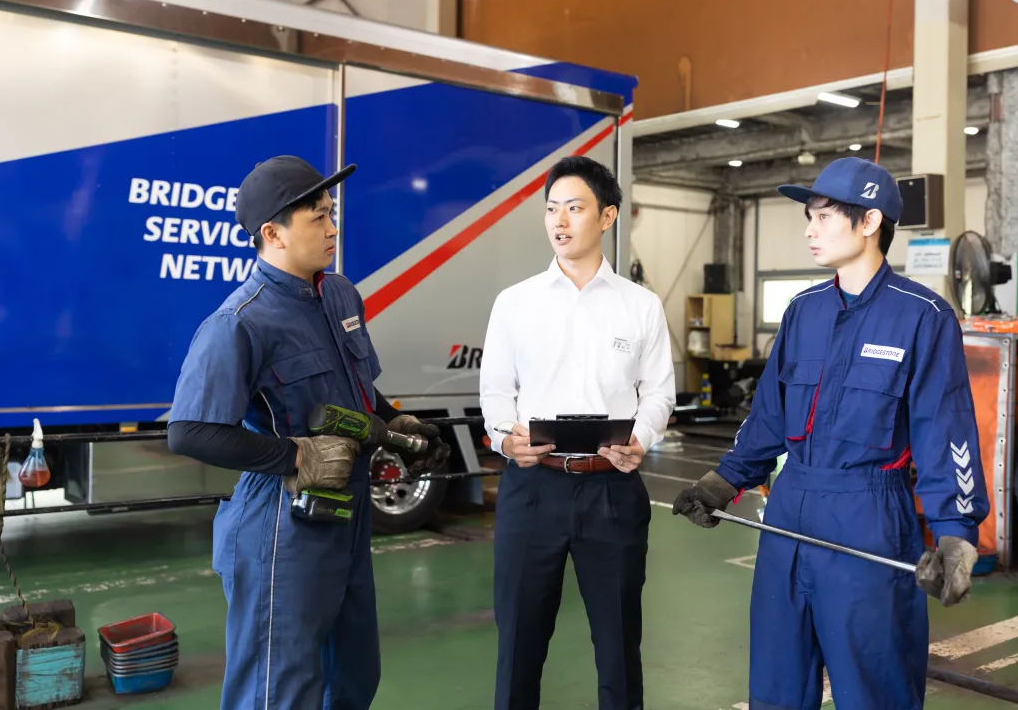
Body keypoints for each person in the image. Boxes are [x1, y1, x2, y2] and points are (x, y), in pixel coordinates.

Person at [672, 157, 990, 709]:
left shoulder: (922, 316)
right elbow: (768, 415)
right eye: (808, 217)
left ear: (869, 222)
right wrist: (723, 482)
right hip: (790, 513)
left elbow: (947, 430)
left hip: (869, 517)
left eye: (822, 217)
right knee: (777, 680)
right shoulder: (803, 311)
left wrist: (955, 533)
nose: (809, 229)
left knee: (874, 685)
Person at [167, 155, 449, 709]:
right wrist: (295, 457)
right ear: (272, 233)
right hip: (281, 526)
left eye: (331, 213)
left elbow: (356, 390)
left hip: (345, 517)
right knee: (279, 689)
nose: (333, 228)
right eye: (318, 218)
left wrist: (395, 424)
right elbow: (190, 432)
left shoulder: (339, 294)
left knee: (352, 676)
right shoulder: (238, 322)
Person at [479, 155, 675, 710]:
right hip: (531, 489)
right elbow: (496, 390)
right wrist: (502, 438)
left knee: (618, 648)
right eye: (551, 209)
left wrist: (640, 439)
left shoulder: (640, 307)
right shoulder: (514, 304)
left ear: (607, 216)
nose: (559, 221)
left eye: (574, 207)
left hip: (610, 490)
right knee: (519, 645)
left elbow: (659, 392)